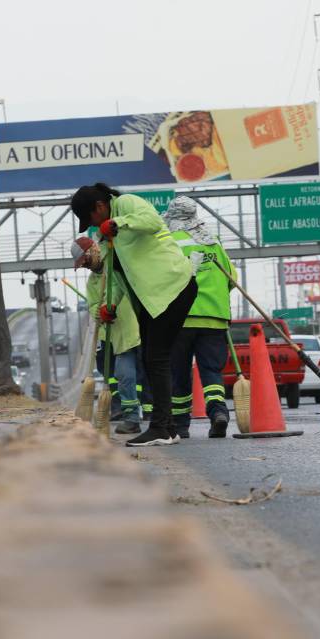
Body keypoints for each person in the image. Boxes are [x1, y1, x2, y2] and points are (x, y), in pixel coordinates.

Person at [70, 184, 196, 447]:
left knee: (156, 357)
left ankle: (162, 427)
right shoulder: (106, 240)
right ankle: (167, 428)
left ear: (100, 207)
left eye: (90, 218)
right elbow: (116, 276)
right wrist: (111, 306)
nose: (92, 225)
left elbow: (152, 221)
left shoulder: (126, 203)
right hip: (150, 299)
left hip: (172, 286)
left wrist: (118, 222)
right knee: (152, 359)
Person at [163, 196, 234, 439]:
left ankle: (181, 425)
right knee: (211, 371)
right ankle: (218, 413)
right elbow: (231, 278)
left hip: (180, 318)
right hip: (214, 317)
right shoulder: (213, 242)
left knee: (179, 372)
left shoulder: (169, 241)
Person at [77, 236, 150, 434]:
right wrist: (100, 311)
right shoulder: (93, 282)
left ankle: (149, 416)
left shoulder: (116, 263)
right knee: (123, 375)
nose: (86, 267)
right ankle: (132, 416)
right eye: (82, 265)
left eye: (85, 261)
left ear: (93, 251)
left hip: (136, 326)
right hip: (116, 335)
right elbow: (93, 306)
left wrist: (111, 305)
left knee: (138, 374)